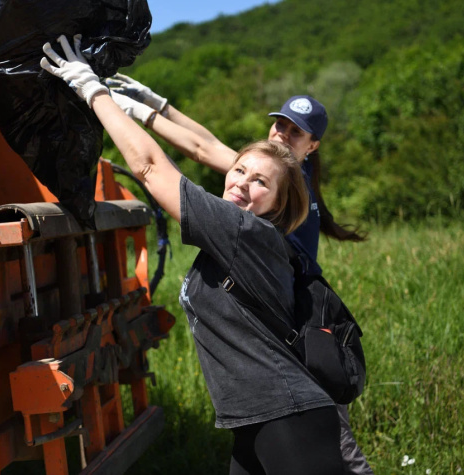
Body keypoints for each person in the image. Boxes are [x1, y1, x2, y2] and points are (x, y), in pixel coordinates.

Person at [41, 34, 347, 474]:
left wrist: (93, 90)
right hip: (255, 421)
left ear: (280, 201)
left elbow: (151, 166)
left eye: (260, 182)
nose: (242, 182)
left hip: (289, 418)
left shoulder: (244, 231)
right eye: (239, 170)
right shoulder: (246, 224)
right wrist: (158, 108)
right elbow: (206, 147)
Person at [105, 76, 372, 474]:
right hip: (280, 364)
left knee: (347, 459)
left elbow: (202, 150)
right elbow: (211, 147)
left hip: (292, 356)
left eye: (295, 132)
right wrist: (159, 105)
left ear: (312, 146)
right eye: (279, 124)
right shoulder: (279, 176)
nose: (281, 135)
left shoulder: (283, 183)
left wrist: (138, 111)